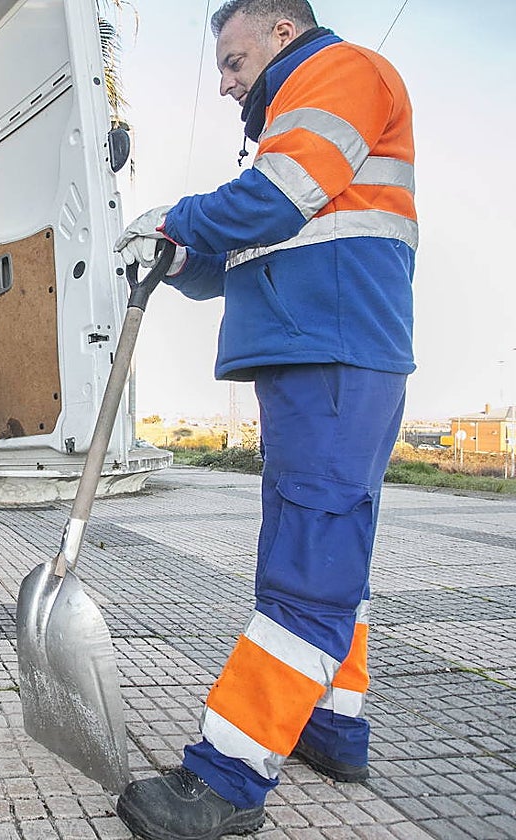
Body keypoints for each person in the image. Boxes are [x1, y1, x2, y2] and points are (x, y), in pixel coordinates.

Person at [113, 1, 416, 837]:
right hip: (315, 355)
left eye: (235, 61)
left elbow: (275, 202)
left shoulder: (341, 73)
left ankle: (226, 778)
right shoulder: (287, 123)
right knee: (319, 551)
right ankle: (330, 725)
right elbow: (243, 251)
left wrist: (177, 216)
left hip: (336, 352)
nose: (225, 83)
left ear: (283, 31)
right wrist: (175, 256)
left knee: (307, 568)